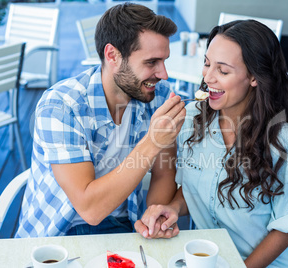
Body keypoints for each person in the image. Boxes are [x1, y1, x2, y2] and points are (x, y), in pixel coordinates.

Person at [135, 20, 288, 267]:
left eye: (223, 70)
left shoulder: (284, 141)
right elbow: (197, 188)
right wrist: (174, 207)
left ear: (253, 76)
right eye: (207, 64)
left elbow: (285, 228)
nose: (207, 77)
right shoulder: (191, 120)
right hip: (208, 259)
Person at [15, 3, 186, 237]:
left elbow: (164, 174)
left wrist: (154, 217)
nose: (163, 74)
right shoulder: (61, 106)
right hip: (58, 235)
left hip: (124, 225)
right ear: (112, 55)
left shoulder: (160, 97)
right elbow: (90, 210)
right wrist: (153, 141)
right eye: (151, 62)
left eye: (164, 61)